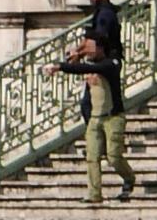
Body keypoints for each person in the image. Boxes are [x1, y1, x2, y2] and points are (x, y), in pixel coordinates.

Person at [44, 29, 136, 204]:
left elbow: (92, 68)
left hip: (113, 117)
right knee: (92, 157)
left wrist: (60, 67)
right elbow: (85, 84)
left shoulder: (112, 63)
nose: (87, 51)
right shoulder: (89, 65)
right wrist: (74, 56)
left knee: (113, 156)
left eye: (90, 47)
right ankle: (94, 194)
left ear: (100, 48)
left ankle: (129, 177)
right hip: (95, 118)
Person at [72, 0, 123, 124]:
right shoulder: (100, 12)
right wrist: (77, 50)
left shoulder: (105, 14)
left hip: (106, 63)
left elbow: (98, 40)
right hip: (102, 63)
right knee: (91, 104)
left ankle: (99, 136)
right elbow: (91, 36)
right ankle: (96, 136)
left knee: (93, 104)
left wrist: (79, 54)